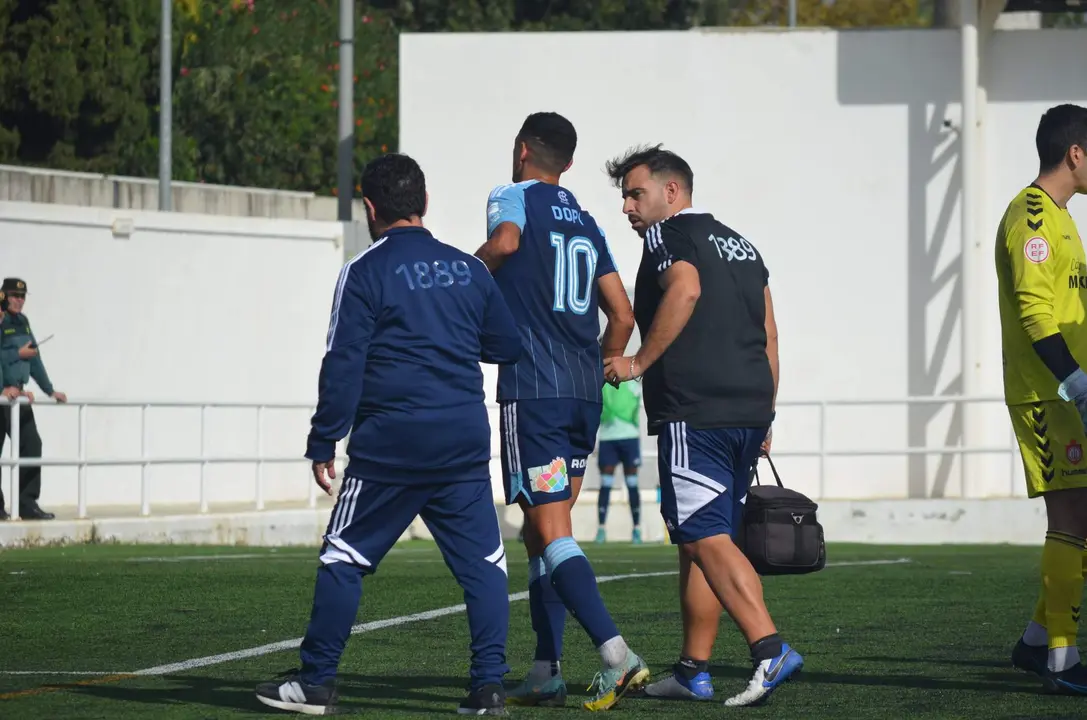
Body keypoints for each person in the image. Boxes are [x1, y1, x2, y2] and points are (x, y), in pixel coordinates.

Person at [255, 153, 522, 716]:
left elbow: (343, 361)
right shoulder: (469, 270)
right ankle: (489, 686)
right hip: (462, 442)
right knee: (484, 567)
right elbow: (505, 346)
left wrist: (323, 440)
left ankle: (317, 682)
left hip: (390, 444)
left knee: (343, 557)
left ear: (370, 208)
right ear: (424, 204)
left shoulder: (364, 270)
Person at [602, 144, 799, 707]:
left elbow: (684, 288)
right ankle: (694, 671)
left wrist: (638, 362)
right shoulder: (743, 243)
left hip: (697, 409)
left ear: (672, 192)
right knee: (697, 541)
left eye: (635, 194)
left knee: (702, 533)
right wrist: (767, 410)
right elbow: (770, 332)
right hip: (747, 408)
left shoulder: (668, 236)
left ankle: (768, 647)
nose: (627, 208)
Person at [474, 111, 647, 711]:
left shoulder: (510, 195)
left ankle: (616, 654)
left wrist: (460, 277)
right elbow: (622, 316)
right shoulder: (585, 217)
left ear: (522, 150)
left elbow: (504, 244)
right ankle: (546, 669)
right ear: (568, 164)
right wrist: (599, 362)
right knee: (542, 535)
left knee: (549, 530)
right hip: (581, 395)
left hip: (535, 392)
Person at [996, 104, 1087, 695]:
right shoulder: (1031, 216)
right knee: (1072, 517)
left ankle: (1037, 641)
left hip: (1068, 395)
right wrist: (1076, 382)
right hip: (1046, 396)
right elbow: (1035, 313)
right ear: (1076, 153)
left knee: (1081, 517)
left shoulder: (1064, 220)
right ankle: (1060, 656)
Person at [0, 278, 65, 521]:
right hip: (1, 397)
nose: (19, 300)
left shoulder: (23, 322)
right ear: (3, 296)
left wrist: (50, 390)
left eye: (22, 296)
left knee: (32, 445)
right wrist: (17, 355)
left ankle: (27, 503)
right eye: (14, 295)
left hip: (18, 395)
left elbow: (34, 359)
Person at [595, 378, 644, 544]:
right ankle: (601, 528)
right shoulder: (602, 381)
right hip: (608, 437)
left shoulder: (632, 382)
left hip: (629, 437)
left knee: (632, 483)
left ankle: (636, 528)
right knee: (605, 484)